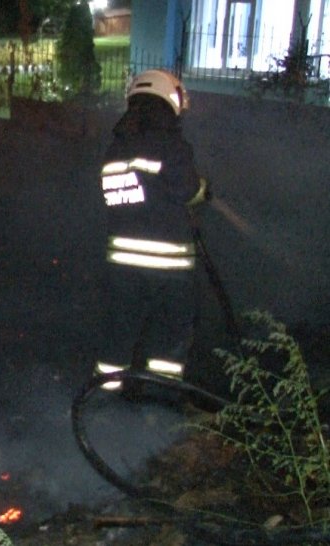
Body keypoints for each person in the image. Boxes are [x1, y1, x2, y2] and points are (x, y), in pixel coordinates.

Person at [93, 69, 210, 391]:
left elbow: (119, 198)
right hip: (169, 269)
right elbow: (188, 191)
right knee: (169, 340)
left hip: (122, 268)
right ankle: (161, 409)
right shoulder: (171, 145)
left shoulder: (116, 149)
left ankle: (102, 400)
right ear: (169, 100)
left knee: (117, 334)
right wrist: (204, 189)